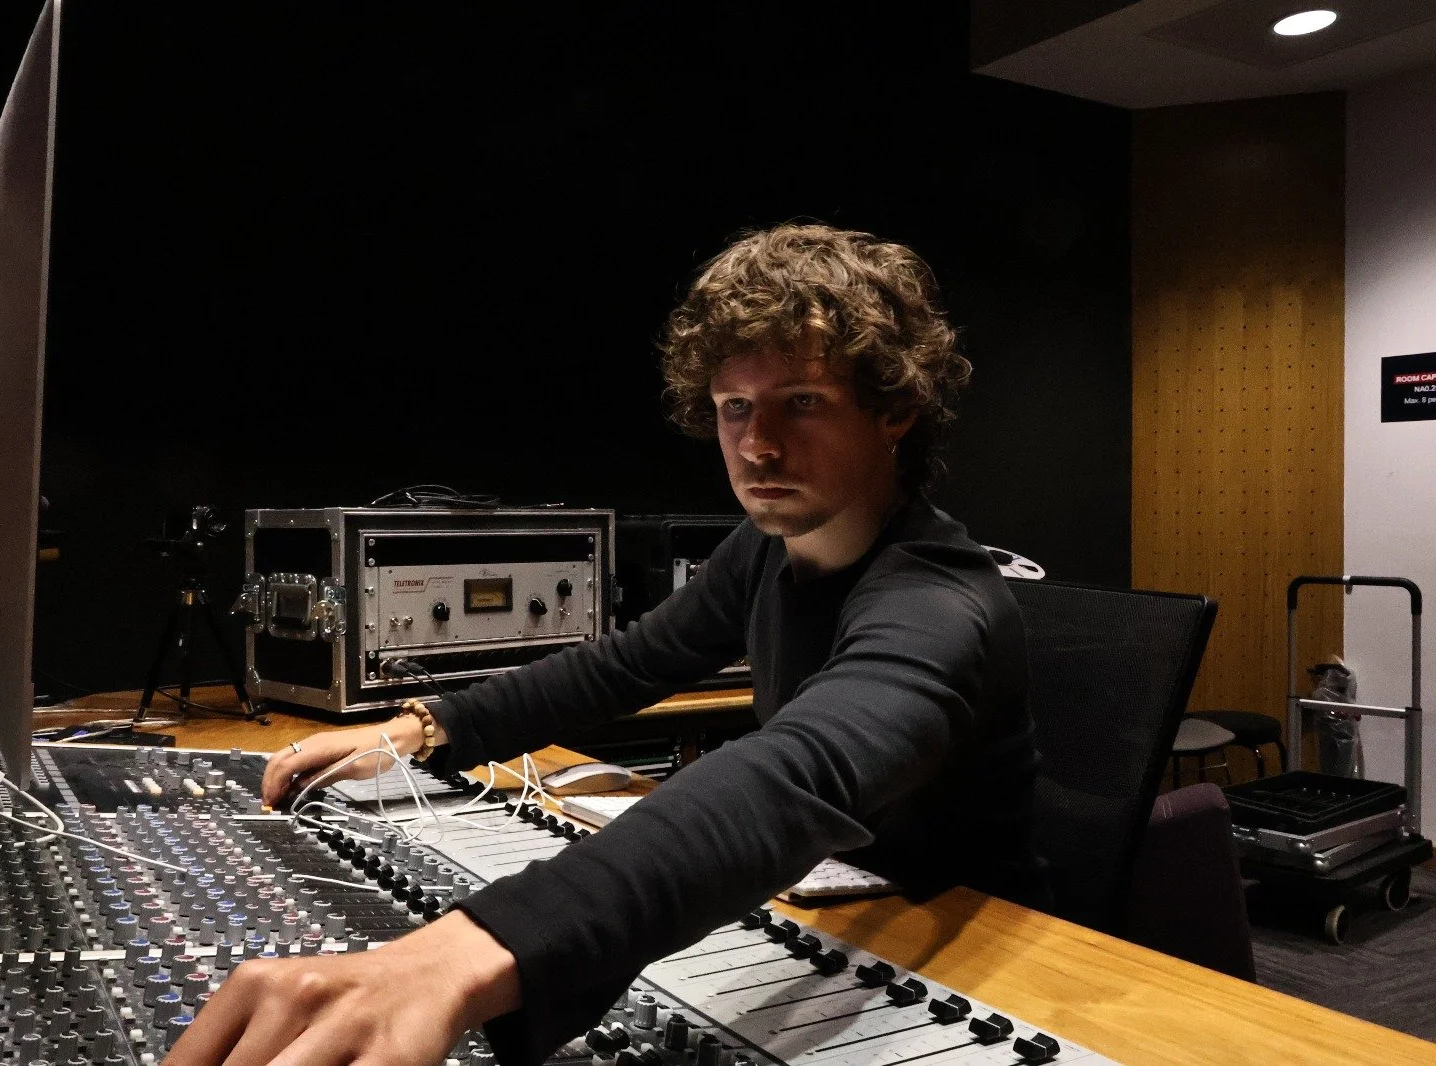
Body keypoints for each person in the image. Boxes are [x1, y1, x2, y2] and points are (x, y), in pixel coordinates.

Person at [163, 223, 1042, 1066]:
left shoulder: (938, 601)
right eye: (735, 407)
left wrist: (466, 953)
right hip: (826, 910)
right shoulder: (765, 551)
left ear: (895, 411)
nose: (758, 443)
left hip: (986, 965)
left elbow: (801, 770)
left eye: (801, 402)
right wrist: (419, 729)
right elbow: (630, 663)